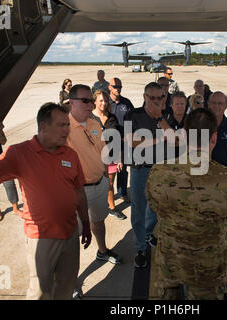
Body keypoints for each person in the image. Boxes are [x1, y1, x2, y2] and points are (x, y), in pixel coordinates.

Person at [0, 103, 92, 300]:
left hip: (70, 233)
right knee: (40, 292)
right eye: (61, 125)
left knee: (66, 286)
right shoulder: (19, 153)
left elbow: (79, 192)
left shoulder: (70, 154)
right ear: (43, 126)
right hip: (41, 237)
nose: (67, 130)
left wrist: (85, 223)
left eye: (67, 125)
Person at [145, 108, 227, 299]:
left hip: (170, 260)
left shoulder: (159, 173)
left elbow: (154, 205)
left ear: (183, 136)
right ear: (214, 138)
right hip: (208, 266)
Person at [67, 84, 123, 265]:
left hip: (99, 184)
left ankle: (102, 251)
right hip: (76, 191)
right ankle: (70, 279)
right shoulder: (63, 126)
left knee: (98, 221)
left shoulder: (94, 124)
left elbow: (103, 150)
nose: (89, 104)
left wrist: (106, 176)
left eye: (90, 100)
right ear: (71, 102)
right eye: (85, 100)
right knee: (73, 234)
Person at [123, 82, 169, 268]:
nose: (156, 101)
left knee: (156, 209)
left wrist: (160, 119)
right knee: (139, 209)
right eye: (152, 97)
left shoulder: (166, 116)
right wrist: (158, 138)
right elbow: (131, 140)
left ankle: (149, 235)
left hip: (161, 170)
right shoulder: (133, 114)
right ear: (144, 97)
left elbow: (174, 138)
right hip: (140, 169)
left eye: (160, 97)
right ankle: (140, 247)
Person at [90, 89, 127, 220]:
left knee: (110, 183)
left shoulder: (112, 117)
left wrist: (120, 159)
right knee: (94, 184)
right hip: (94, 159)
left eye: (106, 100)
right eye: (100, 100)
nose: (104, 103)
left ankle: (111, 207)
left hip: (111, 156)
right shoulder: (89, 118)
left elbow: (118, 139)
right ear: (94, 101)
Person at [108, 77, 134, 203]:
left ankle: (123, 192)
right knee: (109, 172)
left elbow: (133, 119)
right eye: (115, 86)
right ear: (109, 87)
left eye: (120, 87)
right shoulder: (105, 102)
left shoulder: (126, 103)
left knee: (123, 170)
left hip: (125, 142)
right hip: (110, 143)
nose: (118, 89)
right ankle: (109, 195)